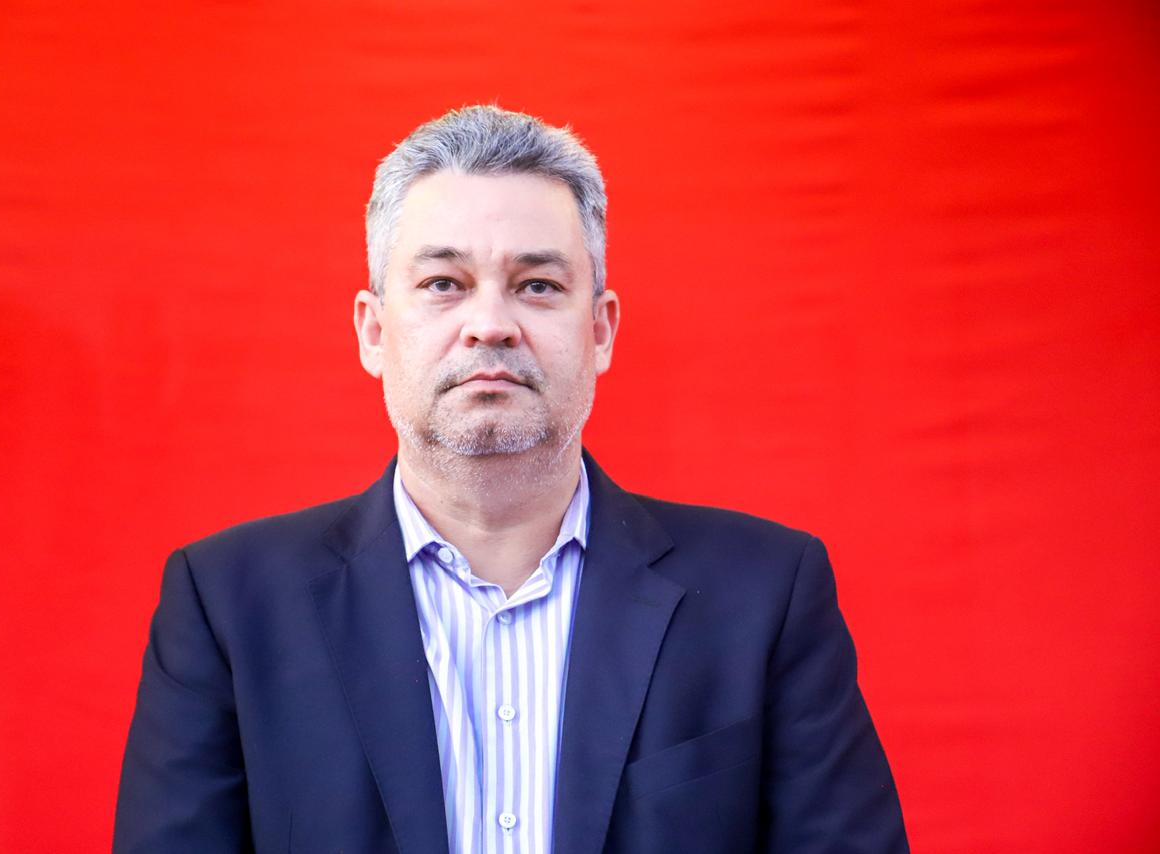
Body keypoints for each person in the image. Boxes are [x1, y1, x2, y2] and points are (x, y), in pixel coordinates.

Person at [113, 105, 909, 854]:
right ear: (374, 331)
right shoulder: (229, 606)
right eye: (443, 284)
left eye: (537, 285)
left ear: (600, 329)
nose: (490, 325)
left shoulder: (764, 595)